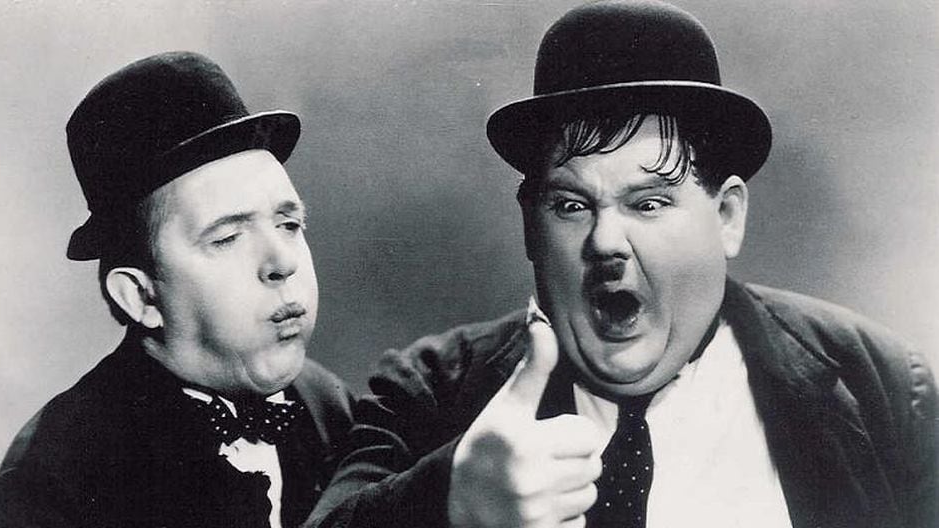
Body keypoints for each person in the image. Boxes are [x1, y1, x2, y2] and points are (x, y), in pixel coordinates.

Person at [305, 2, 937, 528]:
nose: (606, 241)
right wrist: (445, 503)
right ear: (529, 225)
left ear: (727, 216)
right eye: (571, 205)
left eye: (649, 202)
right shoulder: (427, 393)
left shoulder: (883, 386)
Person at [0, 51, 353, 528]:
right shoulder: (56, 477)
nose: (283, 263)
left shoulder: (325, 404)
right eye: (227, 237)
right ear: (140, 296)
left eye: (289, 224)